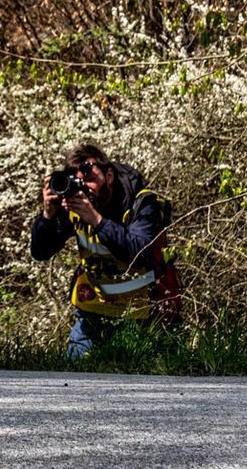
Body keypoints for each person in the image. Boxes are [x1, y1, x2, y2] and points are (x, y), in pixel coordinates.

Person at [30, 140, 173, 358]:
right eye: (78, 181)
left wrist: (96, 220)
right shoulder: (75, 204)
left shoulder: (141, 203)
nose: (84, 187)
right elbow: (41, 252)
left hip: (142, 315)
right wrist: (47, 216)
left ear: (109, 176)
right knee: (75, 383)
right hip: (93, 313)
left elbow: (140, 252)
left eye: (90, 179)